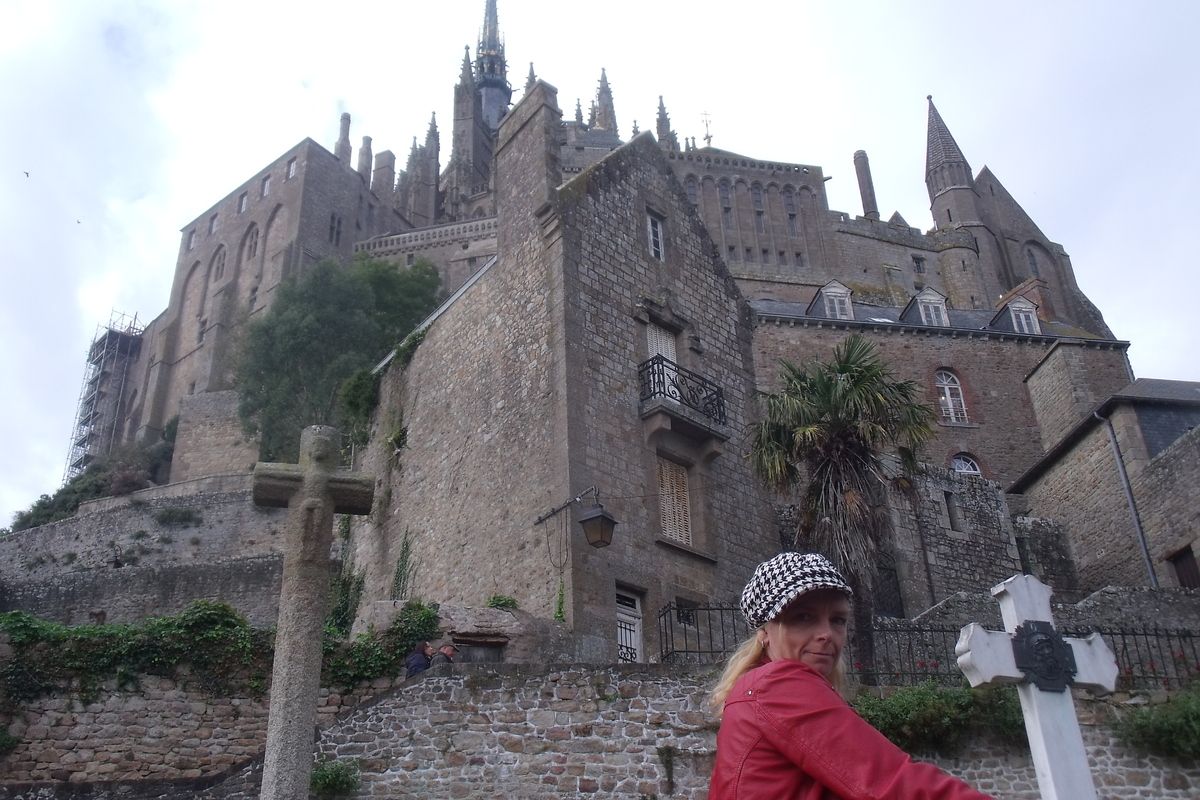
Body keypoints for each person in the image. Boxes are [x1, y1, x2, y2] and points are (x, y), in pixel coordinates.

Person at [709, 552, 993, 799]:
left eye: (838, 620)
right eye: (803, 618)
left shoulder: (752, 690)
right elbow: (889, 783)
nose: (826, 634)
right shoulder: (777, 683)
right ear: (765, 632)